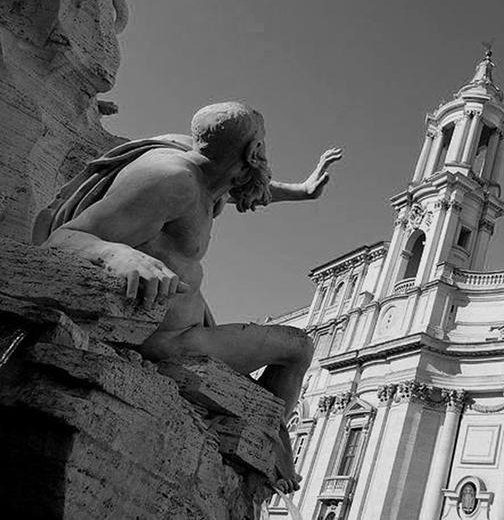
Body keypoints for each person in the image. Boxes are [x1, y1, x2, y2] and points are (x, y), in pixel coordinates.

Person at [38, 101, 343, 494]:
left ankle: (262, 439)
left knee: (271, 367)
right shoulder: (171, 179)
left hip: (190, 325)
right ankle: (265, 450)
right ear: (253, 152)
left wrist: (302, 191)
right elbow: (64, 239)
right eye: (263, 147)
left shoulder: (207, 171)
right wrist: (119, 254)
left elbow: (248, 189)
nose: (265, 157)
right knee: (299, 347)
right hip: (167, 340)